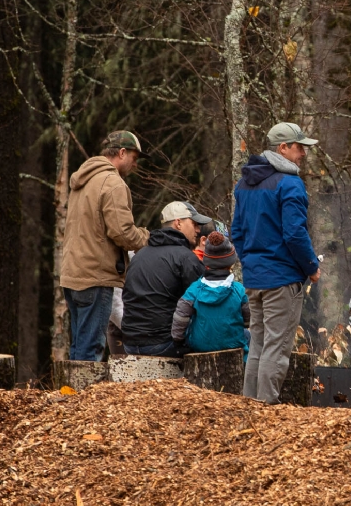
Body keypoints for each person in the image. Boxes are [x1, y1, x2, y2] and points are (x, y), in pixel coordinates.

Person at [232, 122, 322, 404]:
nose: (303, 154)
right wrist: (311, 267)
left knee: (258, 344)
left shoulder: (244, 184)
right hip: (282, 280)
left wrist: (251, 263)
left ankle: (250, 406)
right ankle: (267, 410)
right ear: (283, 148)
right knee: (277, 347)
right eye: (299, 148)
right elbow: (295, 234)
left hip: (255, 279)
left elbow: (237, 233)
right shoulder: (290, 183)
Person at [60, 130, 150, 361]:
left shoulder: (84, 179)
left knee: (79, 347)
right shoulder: (113, 183)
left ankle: (72, 395)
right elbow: (123, 233)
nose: (135, 164)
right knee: (91, 351)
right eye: (134, 157)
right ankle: (83, 397)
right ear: (121, 153)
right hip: (95, 276)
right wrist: (147, 239)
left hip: (73, 274)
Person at [120, 201, 210, 356]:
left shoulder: (139, 255)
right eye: (194, 224)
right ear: (178, 223)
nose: (198, 229)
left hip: (129, 343)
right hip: (164, 344)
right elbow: (204, 303)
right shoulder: (186, 258)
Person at [172, 231, 251, 358]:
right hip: (234, 344)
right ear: (231, 263)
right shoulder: (239, 290)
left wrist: (178, 340)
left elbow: (180, 319)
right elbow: (248, 319)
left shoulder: (194, 290)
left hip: (199, 346)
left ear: (206, 262)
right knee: (248, 335)